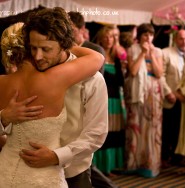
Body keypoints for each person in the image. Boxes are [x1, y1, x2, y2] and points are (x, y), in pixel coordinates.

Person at [0, 8, 108, 188]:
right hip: (24, 169)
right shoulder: (24, 77)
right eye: (33, 48)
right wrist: (3, 118)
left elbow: (96, 134)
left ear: (64, 45)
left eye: (46, 49)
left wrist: (56, 156)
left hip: (74, 170)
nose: (38, 56)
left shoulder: (92, 79)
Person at [68, 11, 120, 188]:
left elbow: (97, 82)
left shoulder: (94, 50)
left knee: (86, 161)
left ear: (82, 29)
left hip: (89, 104)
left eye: (71, 29)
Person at [125, 23, 163, 177]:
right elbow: (133, 71)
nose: (148, 38)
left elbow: (159, 73)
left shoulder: (159, 51)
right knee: (136, 126)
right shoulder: (132, 50)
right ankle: (134, 163)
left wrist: (151, 54)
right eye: (145, 35)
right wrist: (142, 53)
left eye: (151, 35)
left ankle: (150, 164)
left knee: (151, 129)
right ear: (139, 36)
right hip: (137, 94)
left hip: (153, 95)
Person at [93, 25, 126, 176]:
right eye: (106, 37)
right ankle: (101, 167)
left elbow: (121, 81)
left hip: (115, 101)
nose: (108, 39)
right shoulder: (96, 55)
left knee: (115, 133)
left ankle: (111, 166)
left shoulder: (117, 59)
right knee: (103, 133)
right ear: (100, 39)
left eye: (111, 37)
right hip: (103, 99)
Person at [162, 29, 185, 167]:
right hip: (171, 97)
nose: (184, 42)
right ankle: (165, 157)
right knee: (169, 129)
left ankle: (179, 158)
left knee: (182, 130)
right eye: (181, 39)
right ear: (175, 39)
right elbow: (161, 75)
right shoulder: (166, 53)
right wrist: (169, 92)